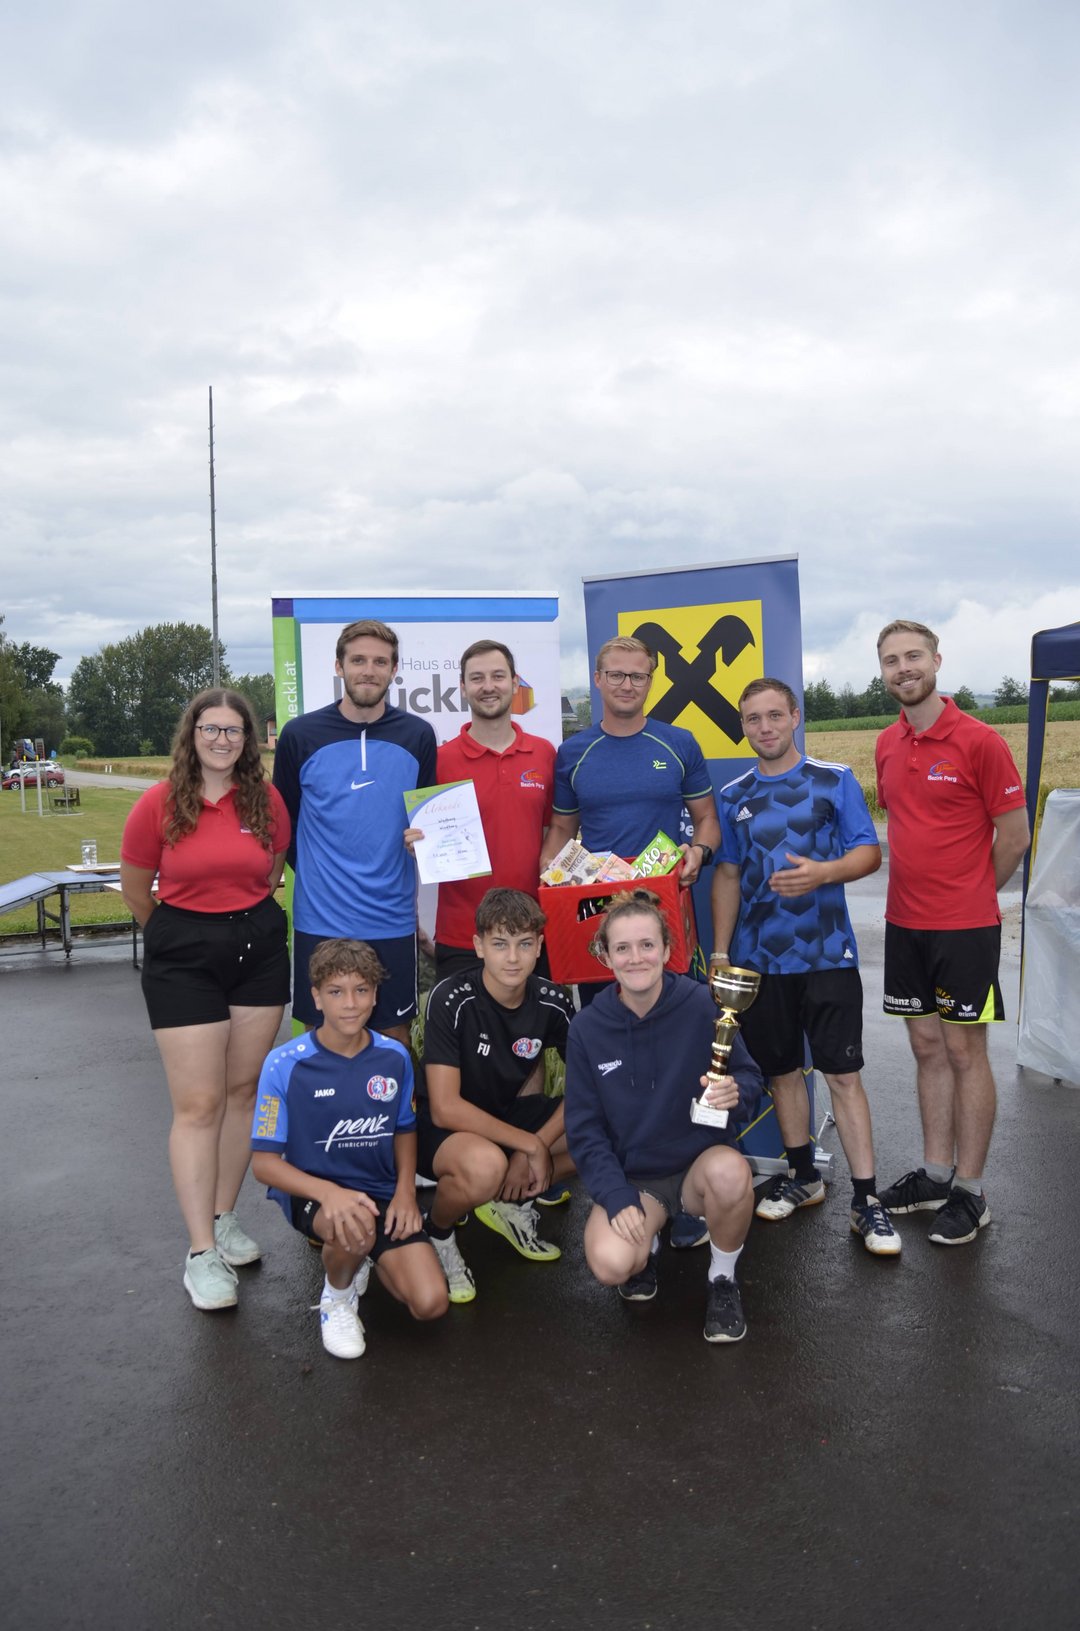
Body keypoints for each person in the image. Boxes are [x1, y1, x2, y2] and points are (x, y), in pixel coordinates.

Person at [540, 632, 722, 1249]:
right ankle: (620, 1192)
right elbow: (561, 831)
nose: (626, 685)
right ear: (597, 679)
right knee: (609, 1061)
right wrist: (548, 888)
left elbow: (707, 821)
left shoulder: (678, 743)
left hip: (663, 927)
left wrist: (698, 852)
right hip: (600, 931)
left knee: (681, 1057)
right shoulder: (575, 752)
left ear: (651, 680)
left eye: (637, 676)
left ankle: (686, 1194)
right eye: (615, 674)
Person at [711, 678, 900, 1256]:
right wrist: (721, 953)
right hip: (761, 962)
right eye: (753, 718)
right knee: (783, 1073)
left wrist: (823, 873)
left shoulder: (833, 779)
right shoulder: (734, 794)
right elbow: (727, 874)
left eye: (775, 715)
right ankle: (803, 1177)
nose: (764, 727)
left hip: (827, 954)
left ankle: (867, 1201)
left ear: (795, 717)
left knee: (842, 1076)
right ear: (742, 727)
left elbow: (868, 852)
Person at [120, 688, 291, 1312]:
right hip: (183, 955)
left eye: (234, 730)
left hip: (258, 948)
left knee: (243, 1092)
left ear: (248, 740)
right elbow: (136, 890)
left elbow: (271, 872)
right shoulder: (159, 803)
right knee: (199, 1104)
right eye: (210, 729)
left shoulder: (266, 799)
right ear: (191, 736)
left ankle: (223, 1218)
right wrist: (183, 938)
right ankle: (199, 1253)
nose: (222, 740)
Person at [874, 620, 1030, 1244]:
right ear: (882, 671)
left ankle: (971, 1190)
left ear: (937, 661)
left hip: (964, 928)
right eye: (891, 660)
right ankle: (936, 1176)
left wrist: (973, 896)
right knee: (926, 1049)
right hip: (903, 922)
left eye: (913, 656)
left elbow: (1014, 837)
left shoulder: (980, 740)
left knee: (966, 1053)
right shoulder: (887, 743)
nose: (903, 669)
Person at [563, 890, 761, 1343]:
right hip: (637, 1179)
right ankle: (646, 1244)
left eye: (647, 945)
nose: (636, 958)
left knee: (732, 1174)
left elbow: (750, 1076)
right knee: (612, 1262)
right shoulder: (588, 1028)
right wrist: (615, 1195)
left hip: (697, 1169)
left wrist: (735, 1093)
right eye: (622, 948)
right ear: (605, 956)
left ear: (668, 950)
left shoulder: (703, 1004)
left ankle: (722, 1278)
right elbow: (585, 1130)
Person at [250, 939, 448, 1359]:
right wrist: (329, 1193)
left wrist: (405, 1193)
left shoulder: (394, 1057)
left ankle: (364, 1257)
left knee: (430, 1303)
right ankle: (337, 1297)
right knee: (352, 1226)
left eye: (361, 990)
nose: (350, 1003)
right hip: (316, 1193)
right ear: (316, 997)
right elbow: (264, 1165)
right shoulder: (284, 1064)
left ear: (375, 995)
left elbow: (404, 1129)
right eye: (336, 991)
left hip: (380, 1192)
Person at [272, 618, 437, 1048]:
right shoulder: (300, 735)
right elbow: (284, 825)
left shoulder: (418, 735)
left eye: (380, 662)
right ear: (339, 666)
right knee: (325, 1038)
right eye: (358, 660)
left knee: (393, 1038)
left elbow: (427, 822)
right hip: (321, 920)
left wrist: (423, 844)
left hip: (391, 919)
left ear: (394, 669)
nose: (369, 670)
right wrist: (322, 874)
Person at [418, 889, 576, 1303]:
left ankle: (510, 1203)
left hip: (506, 1116)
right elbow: (445, 1108)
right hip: (441, 1131)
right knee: (486, 1165)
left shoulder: (553, 1001)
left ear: (539, 946)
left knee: (604, 1130)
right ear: (478, 946)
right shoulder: (452, 998)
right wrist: (529, 1145)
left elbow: (590, 1087)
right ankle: (438, 1231)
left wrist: (536, 1143)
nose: (512, 958)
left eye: (524, 944)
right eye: (500, 944)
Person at [405, 638, 556, 977]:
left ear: (515, 684)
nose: (488, 686)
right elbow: (421, 835)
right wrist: (418, 843)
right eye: (477, 678)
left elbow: (556, 831)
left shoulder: (544, 754)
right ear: (462, 687)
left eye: (498, 676)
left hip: (532, 932)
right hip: (464, 935)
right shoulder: (439, 761)